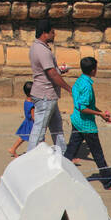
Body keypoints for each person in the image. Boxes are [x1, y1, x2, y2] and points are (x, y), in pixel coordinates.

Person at [65, 57, 111, 190]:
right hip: (86, 125)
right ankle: (108, 182)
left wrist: (101, 114)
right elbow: (83, 107)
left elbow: (84, 104)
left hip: (77, 121)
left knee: (70, 151)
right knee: (98, 154)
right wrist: (99, 114)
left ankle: (60, 173)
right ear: (93, 70)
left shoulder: (79, 81)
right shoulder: (87, 87)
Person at [28, 19, 71, 153]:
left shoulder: (37, 47)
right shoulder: (42, 50)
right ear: (45, 33)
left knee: (57, 128)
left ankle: (63, 155)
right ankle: (31, 158)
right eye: (52, 32)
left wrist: (60, 70)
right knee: (39, 130)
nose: (54, 35)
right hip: (45, 95)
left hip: (47, 95)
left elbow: (51, 71)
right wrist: (69, 88)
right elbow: (51, 73)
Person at [10, 81, 35, 157]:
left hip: (27, 122)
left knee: (23, 137)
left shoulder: (26, 101)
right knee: (35, 138)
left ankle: (13, 149)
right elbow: (34, 117)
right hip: (31, 123)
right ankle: (13, 149)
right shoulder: (31, 105)